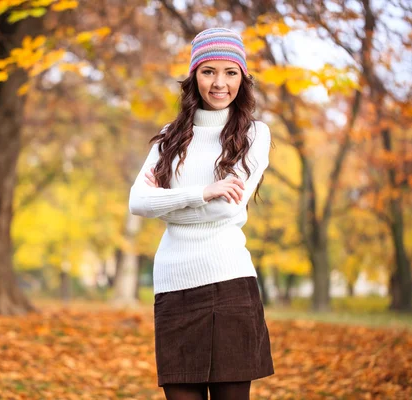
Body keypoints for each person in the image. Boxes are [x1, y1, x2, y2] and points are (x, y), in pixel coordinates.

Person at [128, 27, 275, 400]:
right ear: (194, 76)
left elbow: (228, 208)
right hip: (174, 286)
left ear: (243, 78)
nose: (219, 83)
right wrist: (202, 192)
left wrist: (170, 203)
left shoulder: (255, 135)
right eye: (209, 71)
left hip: (230, 284)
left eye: (230, 72)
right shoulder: (169, 138)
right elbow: (137, 202)